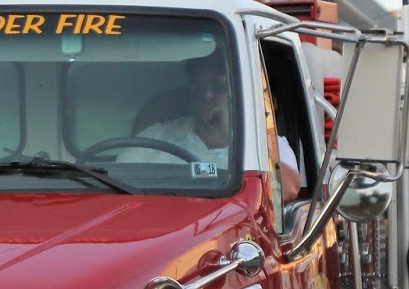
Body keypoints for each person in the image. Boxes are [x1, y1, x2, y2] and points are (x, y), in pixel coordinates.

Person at [119, 57, 300, 190]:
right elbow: (119, 179)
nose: (206, 96)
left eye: (218, 88)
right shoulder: (157, 136)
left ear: (235, 95)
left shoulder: (266, 140)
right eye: (198, 88)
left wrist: (230, 132)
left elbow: (289, 189)